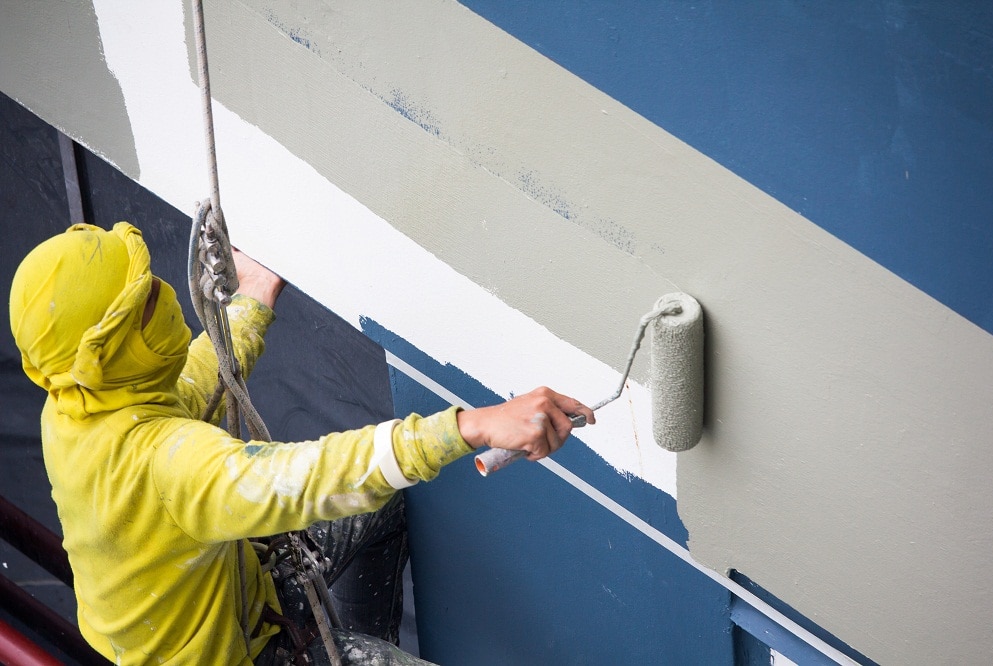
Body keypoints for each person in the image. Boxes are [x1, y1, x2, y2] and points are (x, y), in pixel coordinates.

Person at [7, 222, 594, 665]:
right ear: (106, 357)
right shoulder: (165, 466)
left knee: (382, 505)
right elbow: (312, 478)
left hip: (236, 594)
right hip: (245, 654)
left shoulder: (76, 405)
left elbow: (189, 384)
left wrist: (253, 297)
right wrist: (473, 426)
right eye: (146, 308)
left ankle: (337, 640)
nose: (166, 295)